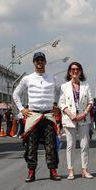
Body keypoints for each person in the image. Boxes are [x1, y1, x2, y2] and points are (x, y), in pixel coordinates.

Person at [12, 52, 62, 182]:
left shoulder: (52, 77)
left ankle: (53, 171)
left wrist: (58, 106)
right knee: (31, 145)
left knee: (51, 145)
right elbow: (16, 94)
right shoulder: (27, 79)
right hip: (33, 114)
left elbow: (61, 92)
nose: (39, 62)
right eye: (37, 60)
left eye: (41, 60)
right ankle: (31, 172)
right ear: (34, 62)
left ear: (45, 62)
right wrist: (22, 109)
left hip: (48, 114)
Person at [58, 62, 94, 180]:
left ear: (80, 71)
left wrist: (84, 113)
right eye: (73, 69)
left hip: (83, 118)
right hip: (70, 119)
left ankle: (85, 170)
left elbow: (91, 101)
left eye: (77, 69)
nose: (75, 71)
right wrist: (71, 115)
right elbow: (61, 103)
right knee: (70, 145)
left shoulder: (86, 86)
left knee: (85, 145)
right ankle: (71, 170)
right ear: (69, 72)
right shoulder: (64, 86)